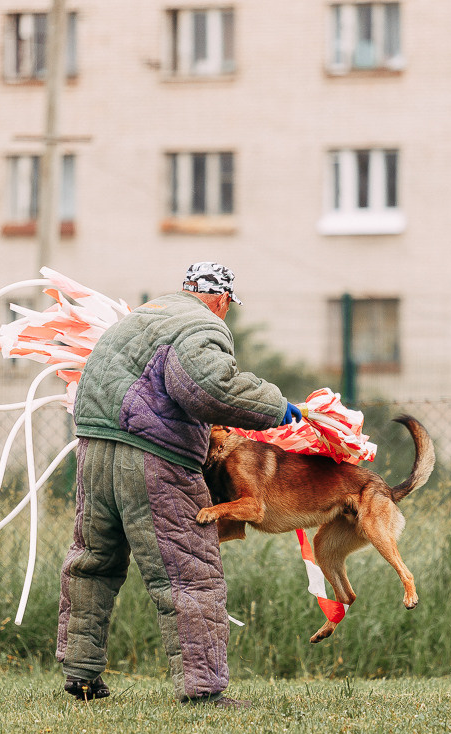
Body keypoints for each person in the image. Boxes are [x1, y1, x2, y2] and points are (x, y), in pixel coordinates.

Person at [56, 262, 303, 707]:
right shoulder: (201, 325)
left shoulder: (143, 318)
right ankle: (203, 689)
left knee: (93, 560)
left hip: (93, 451)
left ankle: (81, 674)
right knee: (189, 571)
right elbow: (208, 387)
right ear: (222, 300)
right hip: (153, 459)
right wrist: (274, 406)